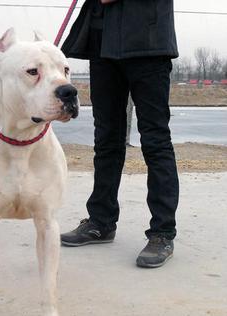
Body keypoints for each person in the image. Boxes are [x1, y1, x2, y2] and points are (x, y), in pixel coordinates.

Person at [60, 0, 180, 268]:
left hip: (149, 45)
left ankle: (162, 233)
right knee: (106, 140)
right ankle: (100, 222)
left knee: (155, 141)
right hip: (103, 44)